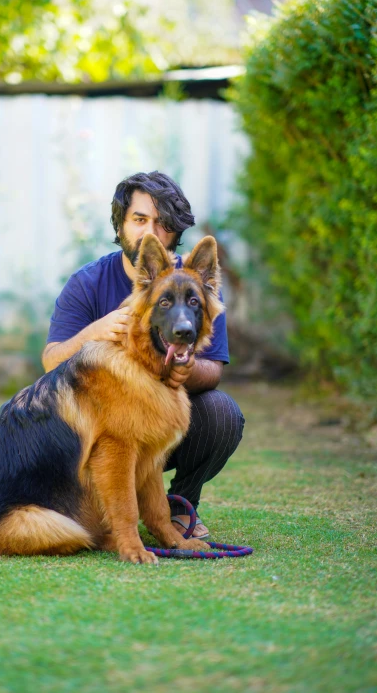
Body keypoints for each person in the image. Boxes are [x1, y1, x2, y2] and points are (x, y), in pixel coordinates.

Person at [42, 171, 244, 539]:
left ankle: (181, 505)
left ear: (176, 231)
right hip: (105, 421)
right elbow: (50, 361)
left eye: (163, 223)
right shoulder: (87, 283)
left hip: (169, 416)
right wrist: (94, 332)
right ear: (120, 225)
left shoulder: (195, 286)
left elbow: (213, 368)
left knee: (222, 413)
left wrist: (184, 369)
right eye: (139, 219)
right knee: (113, 437)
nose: (150, 231)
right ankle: (90, 510)